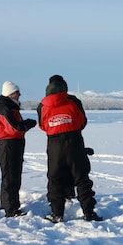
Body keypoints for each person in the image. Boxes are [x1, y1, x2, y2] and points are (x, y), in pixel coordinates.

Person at [37, 75, 102, 223]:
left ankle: (57, 214)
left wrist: (56, 126)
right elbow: (82, 121)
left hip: (54, 145)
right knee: (82, 178)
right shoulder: (73, 101)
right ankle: (89, 212)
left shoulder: (42, 105)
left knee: (55, 180)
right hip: (74, 141)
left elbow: (42, 125)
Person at [0, 81, 37, 217]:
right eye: (17, 92)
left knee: (9, 176)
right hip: (9, 145)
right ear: (10, 94)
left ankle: (7, 204)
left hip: (10, 145)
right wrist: (28, 123)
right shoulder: (7, 109)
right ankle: (11, 209)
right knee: (11, 177)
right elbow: (15, 128)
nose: (19, 95)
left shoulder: (8, 107)